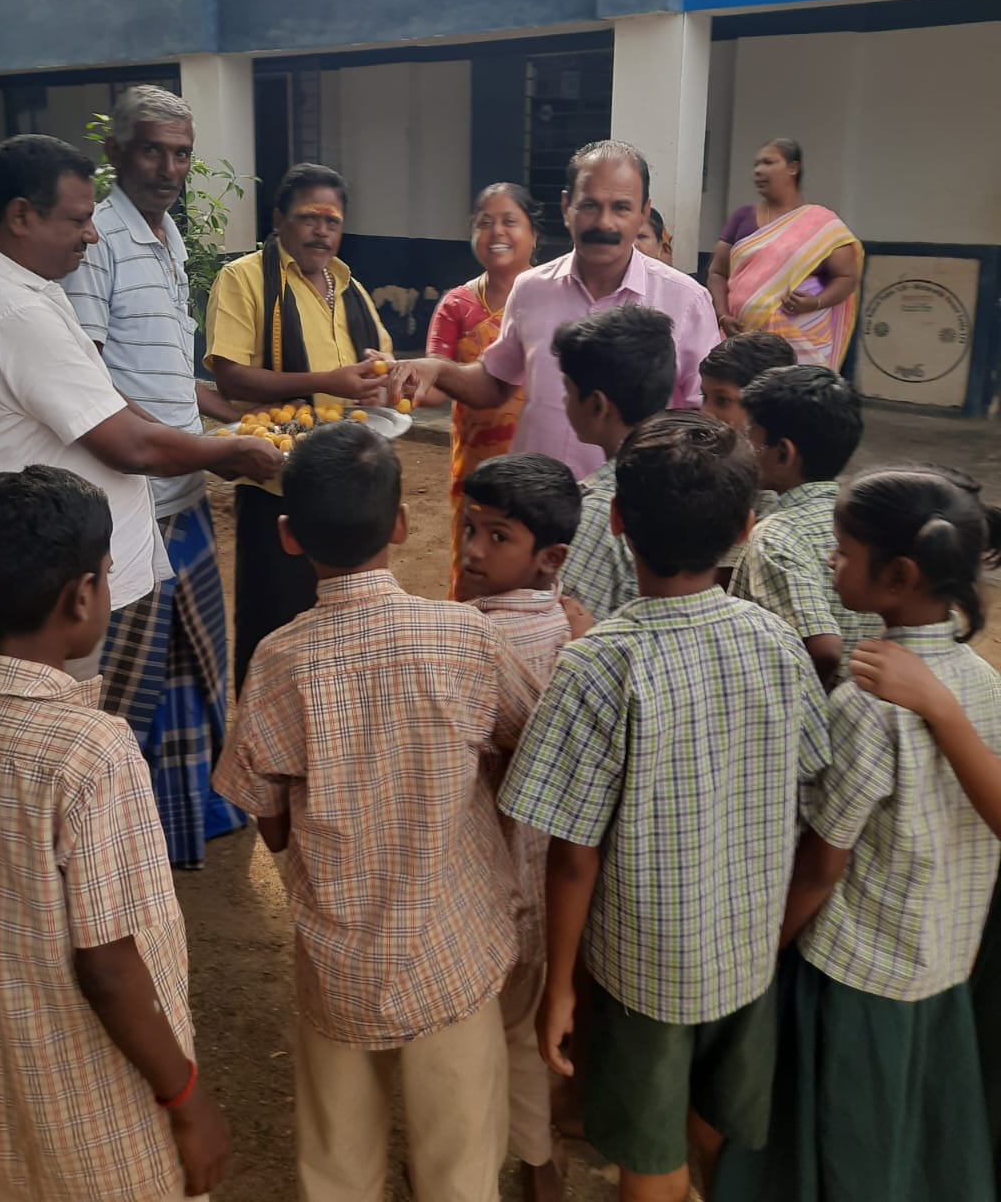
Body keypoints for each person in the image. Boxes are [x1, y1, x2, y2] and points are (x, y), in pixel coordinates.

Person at [500, 414, 830, 1202]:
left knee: (649, 1155)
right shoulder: (777, 642)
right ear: (746, 529)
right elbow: (812, 784)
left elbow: (573, 855)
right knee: (715, 1120)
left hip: (642, 968)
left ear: (616, 522)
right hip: (747, 946)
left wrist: (559, 988)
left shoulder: (598, 662)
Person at [214, 423, 542, 1202]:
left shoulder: (279, 660)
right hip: (453, 952)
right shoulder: (465, 638)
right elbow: (529, 742)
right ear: (401, 522)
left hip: (339, 962)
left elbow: (265, 806)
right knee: (461, 1169)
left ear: (288, 536)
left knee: (337, 1164)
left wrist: (297, 844)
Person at [0, 465, 230, 1202]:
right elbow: (108, 966)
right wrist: (186, 1099)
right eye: (107, 575)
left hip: (2, 1095)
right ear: (82, 596)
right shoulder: (92, 754)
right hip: (108, 1118)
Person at [715, 467, 1001, 1202]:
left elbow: (821, 866)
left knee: (841, 1145)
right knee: (910, 1137)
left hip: (855, 970)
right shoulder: (981, 679)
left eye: (842, 552)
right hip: (941, 956)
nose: (830, 562)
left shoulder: (868, 704)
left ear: (899, 577)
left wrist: (766, 951)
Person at [0, 135, 278, 683]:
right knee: (66, 725)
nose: (92, 235)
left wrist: (205, 442)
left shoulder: (27, 291)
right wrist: (225, 451)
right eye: (77, 221)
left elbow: (107, 400)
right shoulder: (14, 311)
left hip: (53, 573)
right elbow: (129, 446)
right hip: (38, 588)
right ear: (21, 217)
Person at [64, 85, 243, 867]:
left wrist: (232, 414)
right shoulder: (97, 241)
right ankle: (118, 840)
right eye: (152, 150)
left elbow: (168, 374)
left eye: (181, 155)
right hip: (132, 499)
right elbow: (93, 383)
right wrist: (202, 448)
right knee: (128, 684)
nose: (169, 169)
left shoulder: (168, 238)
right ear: (116, 153)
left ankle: (187, 818)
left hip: (183, 491)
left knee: (192, 664)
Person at [394, 142, 719, 480]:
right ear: (566, 207)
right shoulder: (532, 289)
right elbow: (496, 381)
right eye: (590, 205)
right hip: (534, 498)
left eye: (621, 208)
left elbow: (704, 418)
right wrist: (438, 369)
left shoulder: (686, 301)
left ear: (643, 212)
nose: (604, 223)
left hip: (628, 502)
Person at [205, 163, 393, 690]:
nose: (321, 231)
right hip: (276, 483)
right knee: (275, 621)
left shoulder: (349, 286)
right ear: (278, 219)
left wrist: (381, 378)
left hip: (349, 486)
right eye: (309, 218)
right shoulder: (244, 279)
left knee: (348, 625)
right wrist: (328, 380)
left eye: (332, 222)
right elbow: (229, 374)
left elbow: (379, 361)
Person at [459, 453, 583, 1202]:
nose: (473, 550)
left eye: (497, 536)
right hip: (554, 887)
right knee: (528, 1034)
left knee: (477, 1043)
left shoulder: (469, 639)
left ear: (550, 558)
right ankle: (539, 1163)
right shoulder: (577, 629)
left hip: (486, 887)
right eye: (470, 528)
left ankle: (477, 1169)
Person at [730, 366, 879, 689]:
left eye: (750, 435)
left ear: (783, 454)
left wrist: (805, 703)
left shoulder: (776, 536)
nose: (743, 445)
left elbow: (824, 650)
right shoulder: (863, 516)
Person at [426, 183, 539, 599]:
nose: (496, 232)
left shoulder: (554, 298)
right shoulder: (457, 306)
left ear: (534, 234)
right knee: (475, 565)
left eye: (510, 221)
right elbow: (434, 391)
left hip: (539, 463)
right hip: (477, 465)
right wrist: (395, 382)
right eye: (485, 222)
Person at [554, 306, 676, 622]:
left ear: (597, 405)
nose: (564, 400)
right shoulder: (692, 476)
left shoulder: (597, 512)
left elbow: (568, 625)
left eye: (567, 390)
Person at [707, 139, 863, 368]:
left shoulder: (822, 224)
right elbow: (718, 272)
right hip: (741, 338)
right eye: (756, 164)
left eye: (768, 162)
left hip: (803, 338)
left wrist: (816, 302)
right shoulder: (742, 218)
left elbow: (847, 277)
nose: (758, 170)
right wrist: (722, 316)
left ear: (793, 168)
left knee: (796, 390)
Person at [699, 331, 797, 583]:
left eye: (722, 401)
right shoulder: (718, 470)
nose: (705, 413)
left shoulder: (771, 494)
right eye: (704, 397)